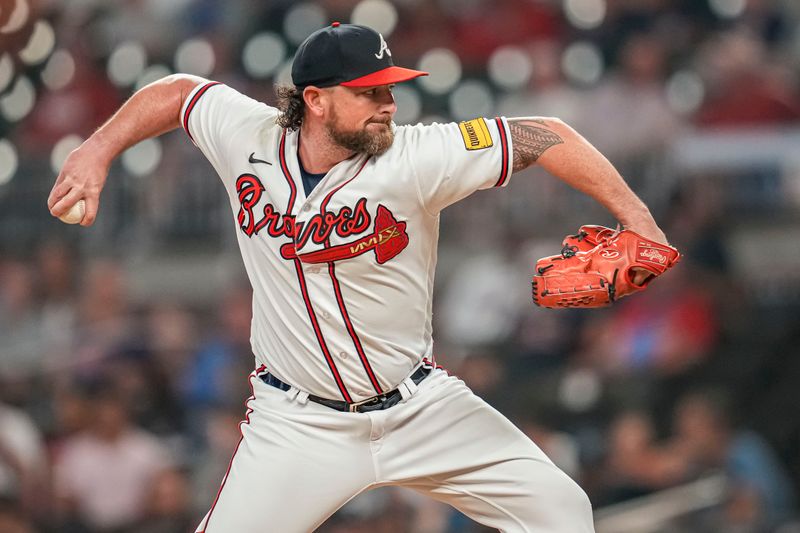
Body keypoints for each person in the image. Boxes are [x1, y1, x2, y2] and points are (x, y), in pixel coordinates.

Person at [48, 23, 668, 533]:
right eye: (369, 92)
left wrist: (639, 221)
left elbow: (547, 136)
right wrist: (95, 151)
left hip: (420, 406)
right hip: (298, 423)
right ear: (314, 99)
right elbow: (180, 93)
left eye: (390, 89)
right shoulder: (248, 137)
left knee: (562, 512)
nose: (388, 104)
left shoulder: (418, 156)